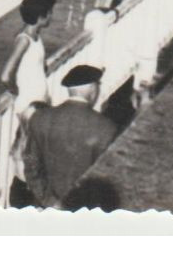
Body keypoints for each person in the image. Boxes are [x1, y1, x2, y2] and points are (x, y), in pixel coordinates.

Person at [19, 64, 119, 209]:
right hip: (85, 211)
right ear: (92, 88)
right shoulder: (106, 127)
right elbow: (106, 177)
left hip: (48, 208)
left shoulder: (40, 118)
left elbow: (31, 164)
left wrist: (49, 201)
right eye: (98, 85)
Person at [0, 0, 56, 117]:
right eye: (50, 12)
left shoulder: (36, 37)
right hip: (28, 106)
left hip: (39, 102)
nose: (52, 16)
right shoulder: (24, 40)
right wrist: (16, 91)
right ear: (41, 16)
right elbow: (5, 76)